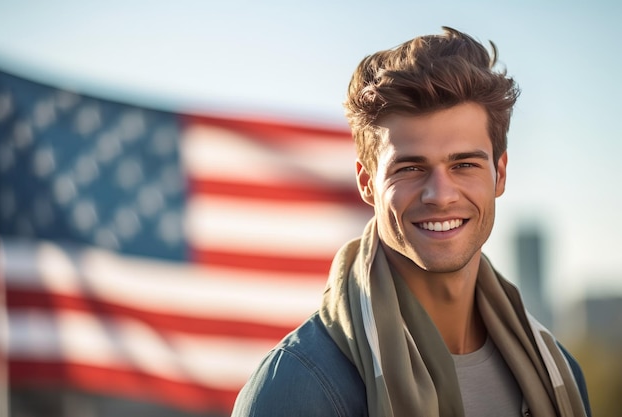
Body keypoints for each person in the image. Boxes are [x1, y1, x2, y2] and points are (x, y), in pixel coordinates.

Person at [231, 27, 591, 417]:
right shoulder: (297, 386)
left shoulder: (557, 373)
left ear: (499, 174)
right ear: (367, 182)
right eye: (410, 168)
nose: (441, 194)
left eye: (464, 164)